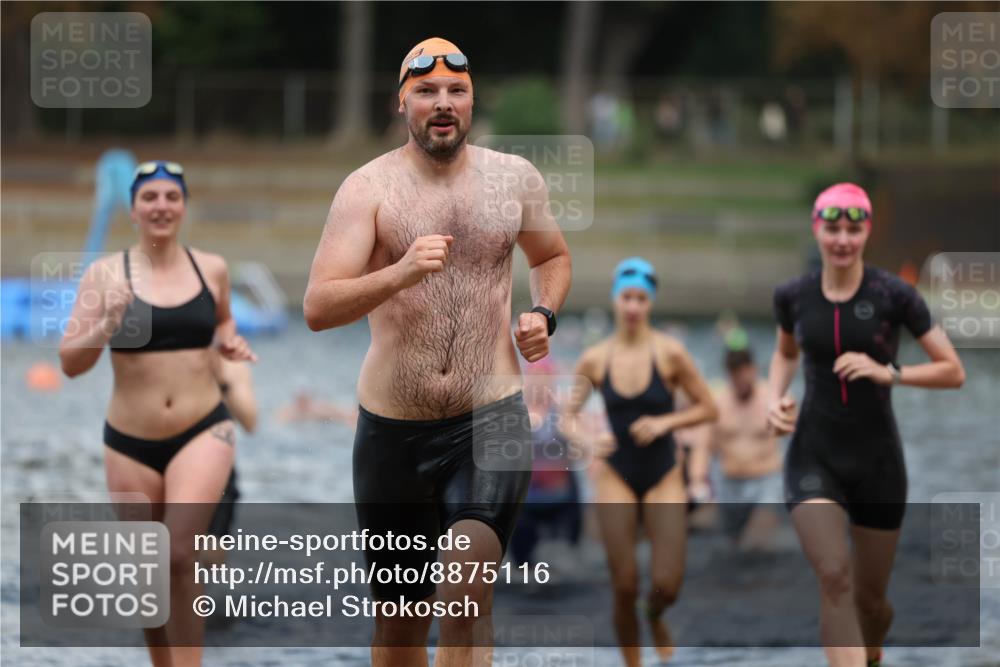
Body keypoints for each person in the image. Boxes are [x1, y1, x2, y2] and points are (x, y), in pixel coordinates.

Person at [302, 37, 572, 667]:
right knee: (399, 631)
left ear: (473, 101)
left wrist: (542, 313)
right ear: (403, 102)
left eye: (456, 91)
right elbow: (318, 307)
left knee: (463, 595)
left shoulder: (515, 180)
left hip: (491, 417)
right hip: (392, 435)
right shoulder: (366, 189)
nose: (442, 103)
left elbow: (553, 257)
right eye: (426, 92)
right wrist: (398, 273)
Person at [59, 160, 257, 667]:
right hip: (130, 440)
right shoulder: (105, 275)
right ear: (133, 210)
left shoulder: (210, 268)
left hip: (203, 428)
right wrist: (106, 322)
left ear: (184, 207)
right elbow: (70, 363)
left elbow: (224, 321)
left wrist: (230, 342)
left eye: (172, 197)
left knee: (177, 555)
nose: (162, 206)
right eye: (150, 198)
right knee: (147, 569)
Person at [767, 183, 965, 667]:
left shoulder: (894, 295)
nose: (841, 240)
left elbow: (953, 371)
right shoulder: (792, 295)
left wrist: (890, 371)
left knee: (871, 604)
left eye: (853, 230)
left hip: (878, 461)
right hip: (814, 454)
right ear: (817, 229)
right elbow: (784, 353)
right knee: (834, 576)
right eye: (832, 228)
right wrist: (774, 400)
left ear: (867, 231)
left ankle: (872, 650)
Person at [563, 258, 717, 667]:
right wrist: (589, 441)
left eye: (641, 299)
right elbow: (567, 416)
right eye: (627, 297)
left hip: (663, 472)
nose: (633, 306)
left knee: (667, 583)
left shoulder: (670, 354)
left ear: (650, 303)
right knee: (624, 584)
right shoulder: (596, 359)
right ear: (616, 300)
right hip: (616, 475)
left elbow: (708, 408)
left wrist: (666, 420)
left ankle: (656, 615)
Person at [687, 343, 784, 550]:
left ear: (753, 369)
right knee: (734, 544)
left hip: (765, 480)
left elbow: (795, 434)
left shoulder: (772, 399)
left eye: (743, 372)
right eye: (734, 374)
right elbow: (703, 446)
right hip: (728, 482)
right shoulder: (717, 402)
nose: (740, 379)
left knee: (757, 541)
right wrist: (697, 480)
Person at [509, 358, 582, 569]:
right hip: (526, 494)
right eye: (534, 378)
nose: (538, 383)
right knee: (522, 557)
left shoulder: (562, 409)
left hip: (559, 493)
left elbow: (579, 443)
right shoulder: (515, 410)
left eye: (544, 378)